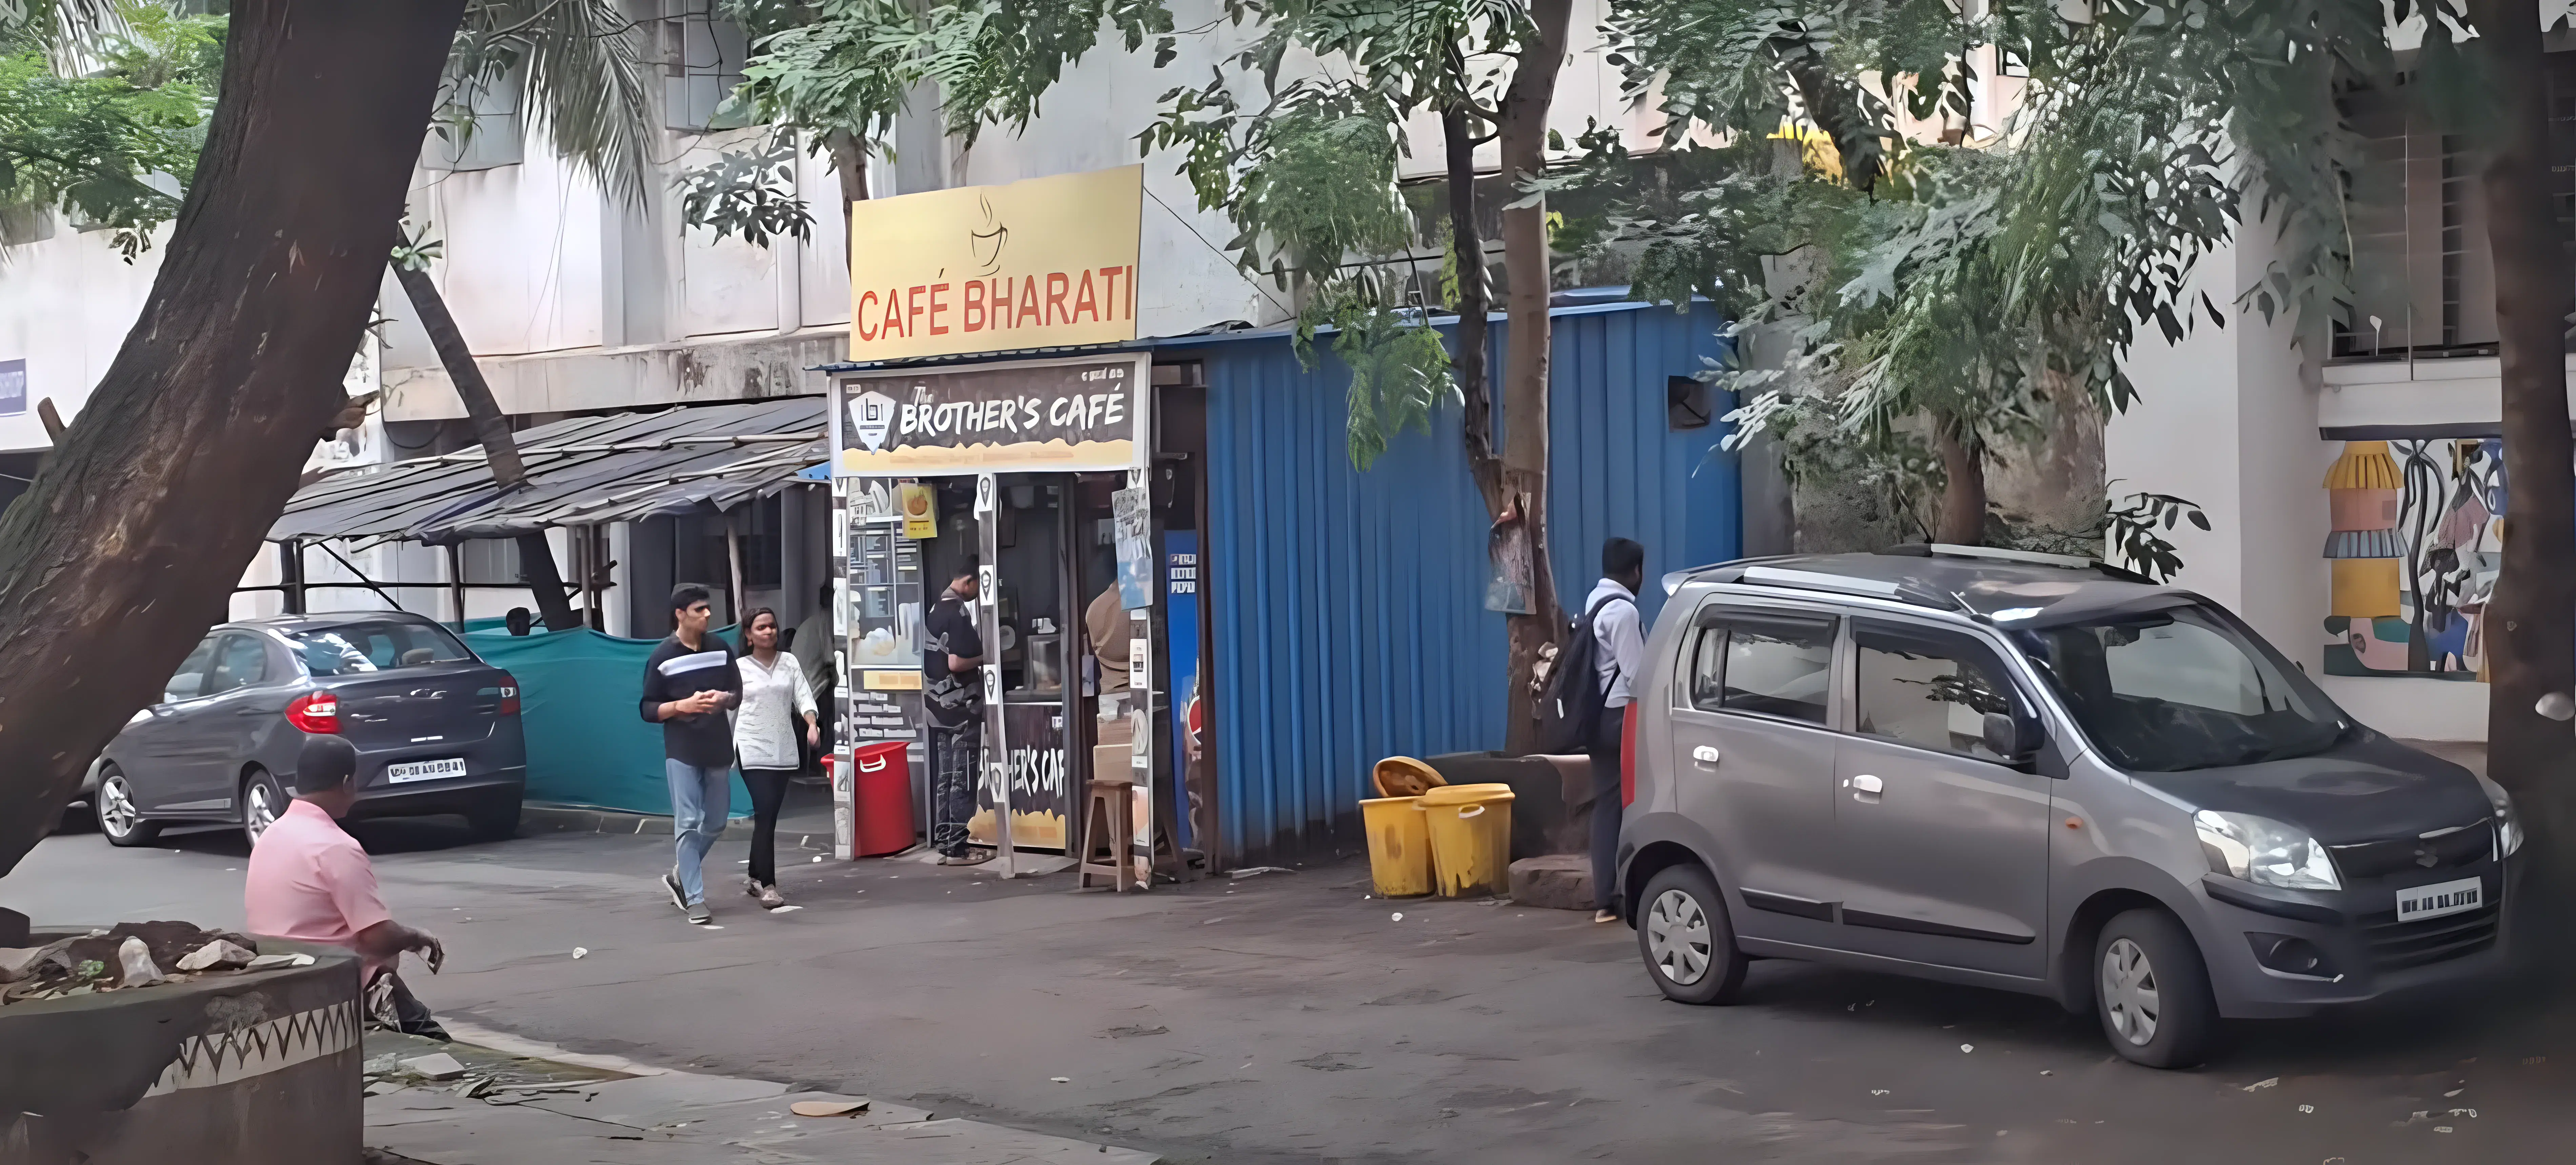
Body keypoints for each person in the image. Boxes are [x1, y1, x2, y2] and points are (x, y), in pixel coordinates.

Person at [245, 734, 448, 1037]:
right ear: (346, 783)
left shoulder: (269, 838)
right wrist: (417, 937)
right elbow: (378, 938)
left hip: (279, 978)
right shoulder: (335, 846)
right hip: (335, 983)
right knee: (437, 1043)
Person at [640, 584, 742, 924]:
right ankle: (694, 898)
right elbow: (647, 708)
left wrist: (724, 699)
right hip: (681, 750)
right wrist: (680, 706)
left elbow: (737, 692)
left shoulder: (721, 648)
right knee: (687, 822)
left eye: (708, 608)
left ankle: (681, 874)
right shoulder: (662, 657)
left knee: (716, 822)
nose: (708, 614)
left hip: (717, 746)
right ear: (680, 614)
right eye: (700, 609)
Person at [736, 608, 818, 909]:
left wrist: (812, 724)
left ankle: (754, 876)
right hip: (751, 747)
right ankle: (769, 886)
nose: (769, 631)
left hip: (783, 749)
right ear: (749, 635)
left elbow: (803, 695)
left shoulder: (789, 662)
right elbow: (728, 708)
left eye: (772, 626)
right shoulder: (739, 668)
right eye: (761, 627)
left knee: (767, 816)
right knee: (765, 811)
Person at [1587, 538, 1647, 925]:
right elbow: (1637, 676)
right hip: (1621, 718)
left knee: (1607, 804)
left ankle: (1604, 899)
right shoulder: (1623, 612)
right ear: (1636, 571)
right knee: (1634, 802)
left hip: (1598, 718)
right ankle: (1628, 891)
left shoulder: (1595, 601)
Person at [923, 560, 990, 866]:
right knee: (963, 777)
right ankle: (959, 848)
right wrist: (986, 657)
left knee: (946, 777)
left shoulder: (936, 608)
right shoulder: (958, 612)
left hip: (938, 709)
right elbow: (956, 662)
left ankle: (946, 843)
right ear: (970, 581)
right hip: (961, 708)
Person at [789, 581, 837, 770]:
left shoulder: (813, 621)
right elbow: (830, 658)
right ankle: (823, 768)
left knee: (805, 735)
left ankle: (807, 770)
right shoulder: (827, 619)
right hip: (813, 688)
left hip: (801, 689)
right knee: (828, 725)